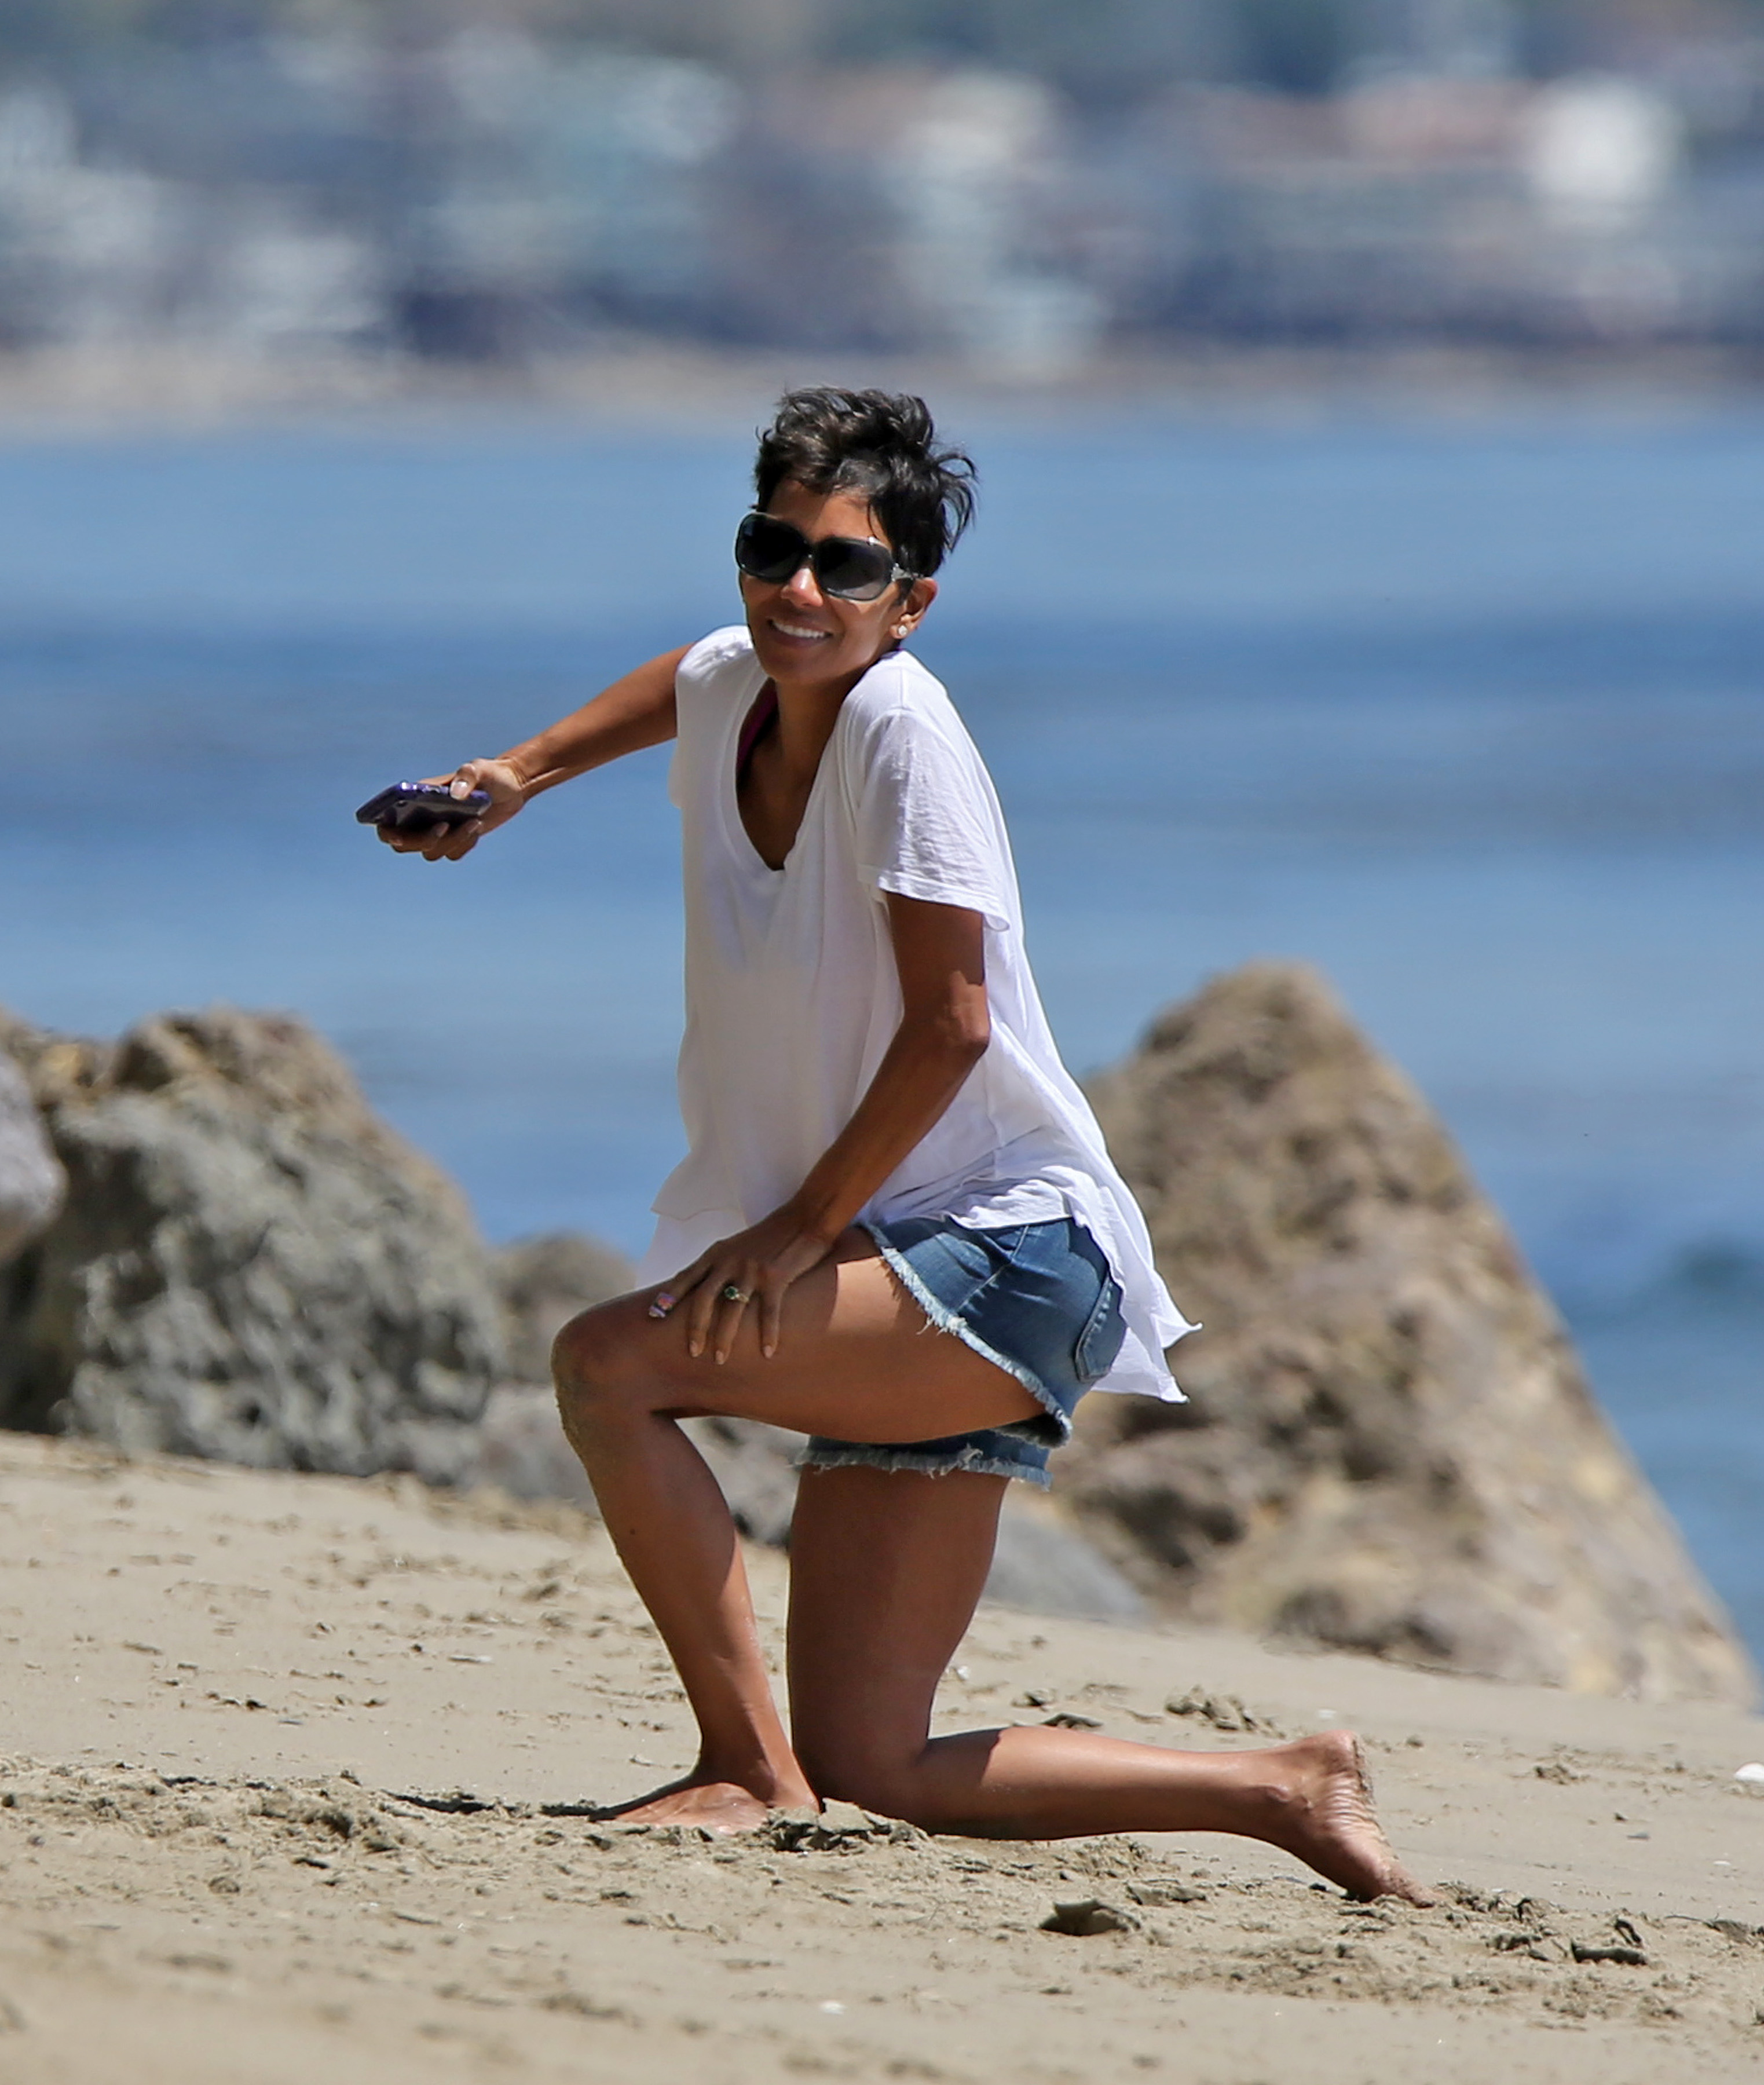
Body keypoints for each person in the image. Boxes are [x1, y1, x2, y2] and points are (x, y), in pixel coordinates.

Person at [380, 387, 1429, 1902]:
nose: (799, 590)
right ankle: (1282, 1786)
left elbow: (951, 1026)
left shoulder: (899, 735)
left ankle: (742, 1769)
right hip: (911, 1260)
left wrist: (801, 1232)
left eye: (846, 566)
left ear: (911, 601)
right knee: (879, 1764)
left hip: (1005, 1255)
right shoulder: (743, 677)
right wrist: (507, 781)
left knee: (610, 1368)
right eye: (772, 549)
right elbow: (684, 678)